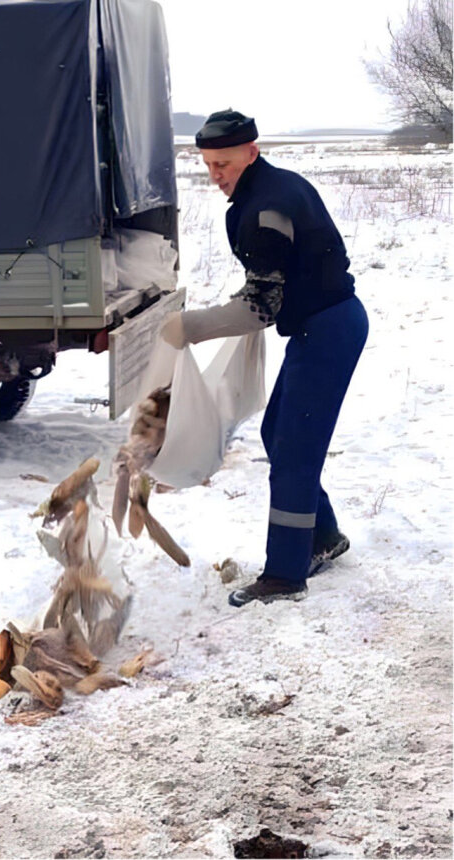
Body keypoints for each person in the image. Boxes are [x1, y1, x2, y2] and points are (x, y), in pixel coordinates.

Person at [160, 109, 368, 607]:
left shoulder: (265, 210)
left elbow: (261, 306)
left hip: (329, 329)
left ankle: (284, 574)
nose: (216, 176)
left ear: (251, 152)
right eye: (209, 165)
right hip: (326, 322)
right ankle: (324, 536)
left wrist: (191, 328)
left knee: (294, 451)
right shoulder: (274, 187)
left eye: (225, 164)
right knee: (279, 434)